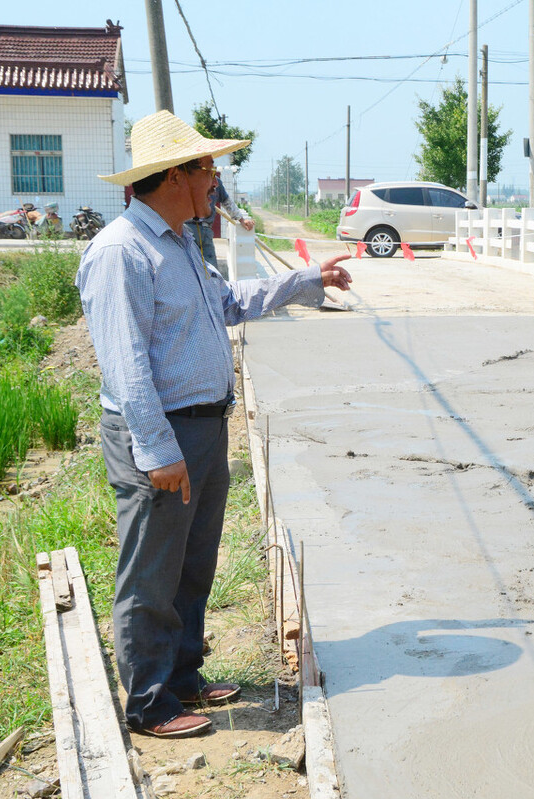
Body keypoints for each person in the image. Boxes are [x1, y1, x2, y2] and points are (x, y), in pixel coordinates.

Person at [76, 110, 352, 738]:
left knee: (192, 560)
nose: (216, 182)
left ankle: (182, 674)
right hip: (161, 435)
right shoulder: (122, 251)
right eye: (209, 170)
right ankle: (148, 701)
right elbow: (126, 367)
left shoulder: (181, 243)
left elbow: (228, 304)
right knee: (151, 567)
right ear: (176, 175)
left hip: (201, 428)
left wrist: (306, 279)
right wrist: (157, 449)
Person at [186, 171, 254, 274]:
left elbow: (227, 202)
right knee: (187, 268)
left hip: (205, 232)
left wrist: (241, 219)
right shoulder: (186, 180)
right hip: (187, 230)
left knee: (211, 271)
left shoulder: (216, 183)